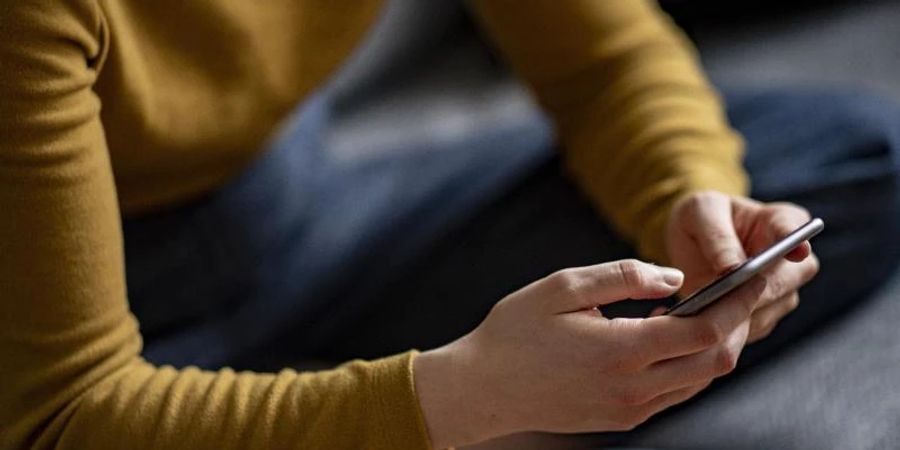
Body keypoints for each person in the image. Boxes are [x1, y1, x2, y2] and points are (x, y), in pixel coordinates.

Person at [2, 1, 899, 449]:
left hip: (300, 210)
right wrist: (458, 396)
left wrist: (690, 200)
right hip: (77, 321)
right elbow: (60, 411)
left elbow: (603, 59)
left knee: (857, 159)